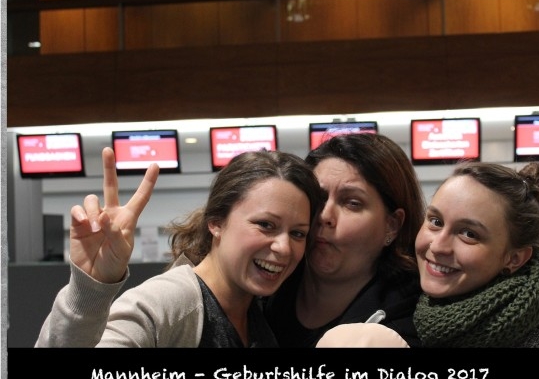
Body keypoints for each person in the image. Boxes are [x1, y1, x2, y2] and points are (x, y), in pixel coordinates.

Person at [36, 147, 324, 347]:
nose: (284, 248)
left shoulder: (258, 309)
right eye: (266, 225)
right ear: (216, 223)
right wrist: (89, 290)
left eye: (298, 233)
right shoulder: (168, 303)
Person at [264, 133, 426, 347]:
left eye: (352, 203)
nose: (325, 215)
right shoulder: (262, 287)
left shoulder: (411, 326)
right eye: (319, 198)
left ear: (392, 225)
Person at [410, 161, 539, 347]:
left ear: (514, 258)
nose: (438, 246)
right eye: (436, 221)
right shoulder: (409, 304)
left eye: (469, 234)